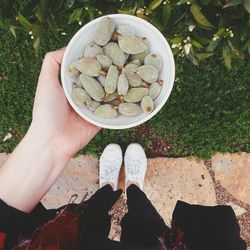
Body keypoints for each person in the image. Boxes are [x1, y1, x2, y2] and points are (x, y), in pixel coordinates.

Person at [0, 48, 246, 250]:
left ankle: (109, 187)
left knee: (89, 217)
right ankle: (133, 188)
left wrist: (49, 143)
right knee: (145, 222)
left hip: (67, 241)